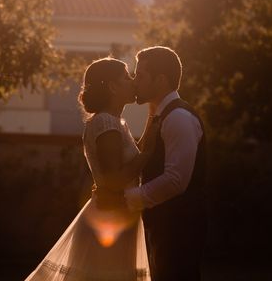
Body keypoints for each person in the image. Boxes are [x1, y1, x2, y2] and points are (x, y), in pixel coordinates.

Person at [24, 57, 159, 281]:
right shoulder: (105, 123)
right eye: (126, 77)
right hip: (109, 221)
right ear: (113, 87)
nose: (133, 81)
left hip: (118, 216)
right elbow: (114, 179)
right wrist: (147, 154)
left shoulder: (115, 123)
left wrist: (152, 115)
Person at [125, 46, 207, 281]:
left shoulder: (179, 118)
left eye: (140, 76)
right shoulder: (159, 115)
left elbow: (176, 181)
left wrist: (129, 198)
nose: (135, 81)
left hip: (180, 229)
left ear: (161, 80)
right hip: (165, 225)